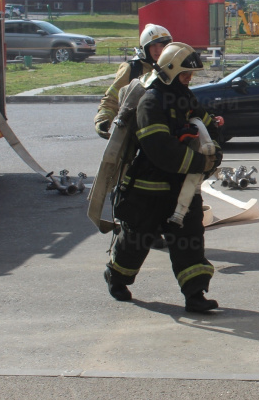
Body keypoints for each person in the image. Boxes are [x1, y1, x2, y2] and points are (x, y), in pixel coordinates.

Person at [102, 42, 224, 313]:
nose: (189, 80)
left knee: (190, 240)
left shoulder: (185, 98)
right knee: (136, 242)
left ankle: (195, 294)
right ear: (170, 71)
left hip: (181, 189)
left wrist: (214, 151)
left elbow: (208, 126)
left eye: (190, 76)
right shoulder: (151, 101)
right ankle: (117, 276)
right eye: (185, 74)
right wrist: (200, 162)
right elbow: (159, 148)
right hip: (146, 190)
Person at [93, 23, 172, 139]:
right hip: (135, 131)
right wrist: (102, 120)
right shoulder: (131, 69)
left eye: (162, 45)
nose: (158, 50)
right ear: (145, 47)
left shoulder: (171, 68)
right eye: (153, 45)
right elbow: (112, 98)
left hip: (166, 128)